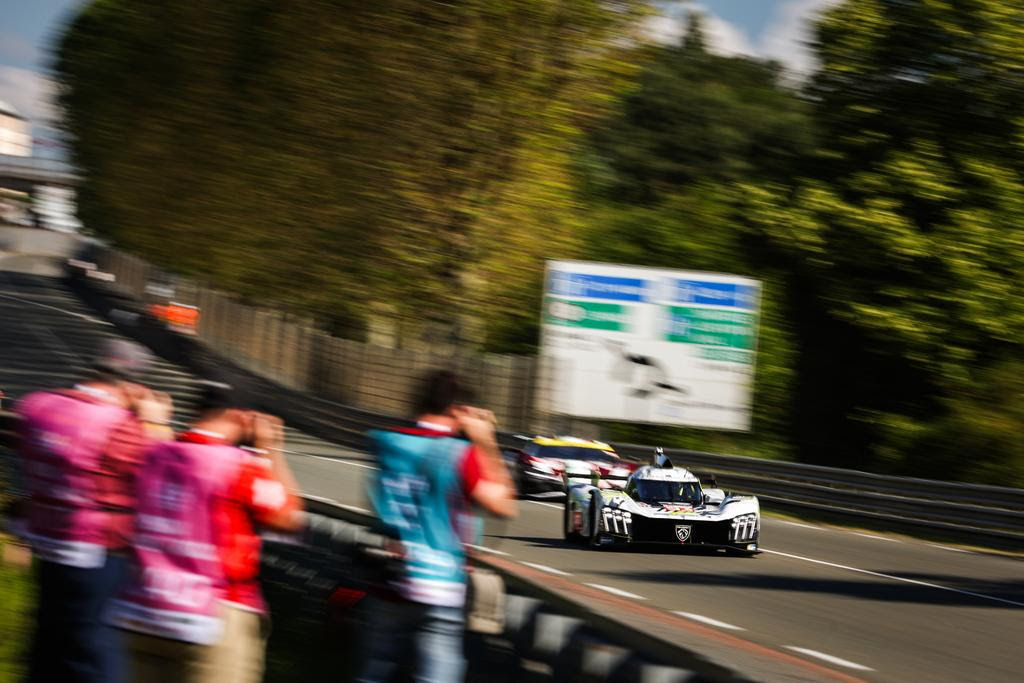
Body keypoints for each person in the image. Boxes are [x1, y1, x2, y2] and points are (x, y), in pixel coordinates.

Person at [108, 381, 303, 683]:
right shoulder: (240, 466)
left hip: (142, 608)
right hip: (212, 616)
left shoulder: (154, 454)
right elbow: (288, 517)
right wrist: (270, 449)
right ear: (243, 417)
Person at [16, 338, 173, 683]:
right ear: (134, 385)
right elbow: (165, 477)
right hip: (98, 553)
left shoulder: (37, 406)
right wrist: (157, 425)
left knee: (47, 649)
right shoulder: (120, 427)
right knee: (95, 654)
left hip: (46, 543)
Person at [358, 369, 517, 683]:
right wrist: (486, 441)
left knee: (376, 669)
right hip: (439, 581)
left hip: (389, 574)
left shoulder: (385, 442)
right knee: (439, 671)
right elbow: (503, 504)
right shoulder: (460, 453)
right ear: (458, 410)